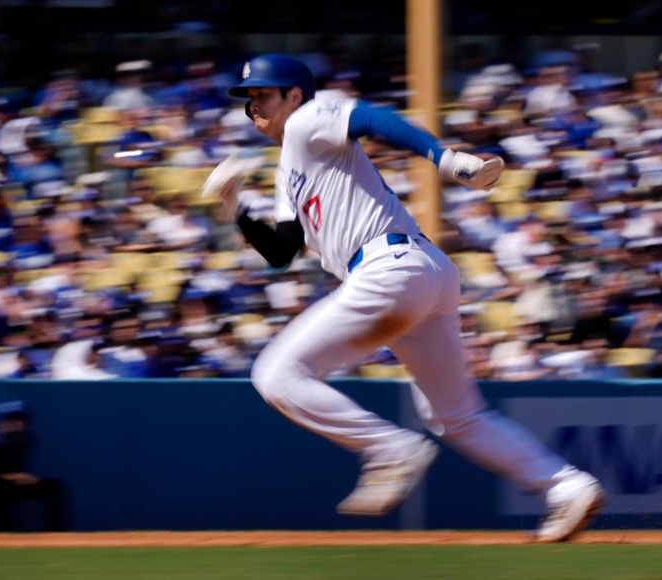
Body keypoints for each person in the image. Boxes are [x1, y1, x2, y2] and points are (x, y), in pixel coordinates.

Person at [204, 53, 605, 542]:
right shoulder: (291, 166)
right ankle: (567, 488)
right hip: (421, 272)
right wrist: (238, 210)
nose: (254, 108)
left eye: (263, 95)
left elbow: (373, 119)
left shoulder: (309, 118)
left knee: (276, 373)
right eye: (249, 100)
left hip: (387, 270)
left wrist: (444, 157)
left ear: (294, 95)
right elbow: (283, 252)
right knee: (457, 416)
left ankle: (389, 449)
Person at [0, 400, 68, 531]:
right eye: (10, 420)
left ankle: (56, 534)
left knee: (54, 486)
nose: (15, 423)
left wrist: (22, 478)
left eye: (19, 420)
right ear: (0, 423)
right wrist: (17, 477)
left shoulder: (25, 438)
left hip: (13, 487)